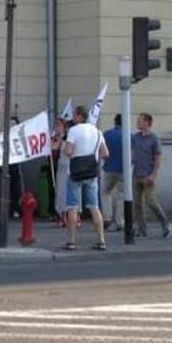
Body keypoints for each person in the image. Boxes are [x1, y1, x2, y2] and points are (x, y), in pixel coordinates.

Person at [63, 105, 108, 251]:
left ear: (79, 116)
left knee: (73, 207)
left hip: (75, 173)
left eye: (75, 116)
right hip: (91, 172)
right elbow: (105, 153)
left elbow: (68, 151)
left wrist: (70, 150)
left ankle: (71, 241)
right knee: (94, 207)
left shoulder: (74, 130)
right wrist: (92, 154)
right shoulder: (97, 131)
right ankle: (101, 240)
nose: (73, 118)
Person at [132, 113, 171, 238]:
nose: (137, 123)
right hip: (136, 174)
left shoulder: (154, 138)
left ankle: (166, 224)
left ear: (147, 122)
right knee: (137, 204)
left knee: (151, 201)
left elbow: (158, 157)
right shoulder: (135, 137)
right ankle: (142, 229)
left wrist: (154, 174)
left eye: (140, 121)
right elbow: (132, 154)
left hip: (148, 175)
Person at [101, 114, 125, 231]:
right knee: (121, 194)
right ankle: (120, 221)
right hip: (123, 169)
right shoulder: (128, 135)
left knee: (106, 192)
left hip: (109, 168)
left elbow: (103, 151)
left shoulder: (107, 134)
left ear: (114, 122)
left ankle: (107, 217)